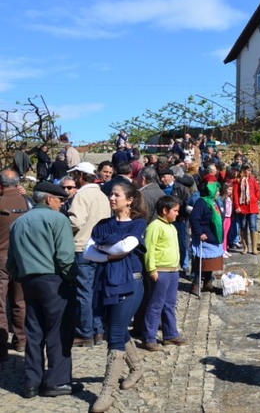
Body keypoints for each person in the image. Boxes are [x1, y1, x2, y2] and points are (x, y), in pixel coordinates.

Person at [7, 181, 81, 398]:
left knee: (34, 331)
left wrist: (21, 276)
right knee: (58, 331)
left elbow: (11, 262)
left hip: (28, 281)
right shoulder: (57, 219)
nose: (61, 205)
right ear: (50, 199)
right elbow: (65, 258)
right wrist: (73, 279)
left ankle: (32, 382)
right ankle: (57, 381)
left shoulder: (18, 223)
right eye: (60, 201)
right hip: (54, 280)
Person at [83, 181, 147, 412]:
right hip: (106, 283)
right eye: (110, 194)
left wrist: (103, 249)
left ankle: (107, 391)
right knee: (114, 329)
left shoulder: (138, 224)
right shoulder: (102, 225)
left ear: (129, 200)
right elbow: (88, 251)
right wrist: (108, 253)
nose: (111, 198)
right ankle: (137, 368)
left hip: (130, 284)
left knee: (116, 334)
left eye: (116, 195)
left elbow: (125, 247)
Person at [67, 161, 111, 348]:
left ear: (82, 176)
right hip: (99, 248)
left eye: (76, 175)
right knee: (95, 292)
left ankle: (85, 333)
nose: (74, 178)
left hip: (82, 247)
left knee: (83, 292)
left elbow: (75, 222)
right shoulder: (102, 195)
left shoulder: (81, 195)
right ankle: (98, 330)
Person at [142, 195, 189, 351]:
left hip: (172, 270)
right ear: (164, 210)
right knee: (156, 305)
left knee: (169, 304)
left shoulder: (171, 226)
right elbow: (148, 249)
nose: (177, 213)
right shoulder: (155, 226)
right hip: (160, 271)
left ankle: (170, 334)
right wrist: (151, 269)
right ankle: (149, 337)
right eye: (174, 210)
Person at [0, 169, 30, 361]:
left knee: (0, 305)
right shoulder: (28, 203)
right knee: (20, 302)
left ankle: (1, 347)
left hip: (1, 258)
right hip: (22, 258)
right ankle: (21, 340)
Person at [189, 178, 225, 296]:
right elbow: (194, 219)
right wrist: (199, 233)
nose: (219, 193)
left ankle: (208, 283)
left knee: (211, 262)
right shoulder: (201, 202)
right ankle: (196, 284)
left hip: (213, 237)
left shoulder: (213, 202)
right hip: (204, 237)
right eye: (217, 190)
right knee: (202, 261)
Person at [232, 163, 260, 255]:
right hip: (242, 207)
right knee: (243, 226)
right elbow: (235, 194)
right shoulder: (238, 180)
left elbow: (257, 190)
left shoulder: (252, 179)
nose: (248, 172)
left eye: (250, 170)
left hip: (252, 206)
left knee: (253, 226)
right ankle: (245, 247)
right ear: (243, 170)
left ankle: (254, 248)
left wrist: (255, 198)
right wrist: (237, 206)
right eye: (247, 170)